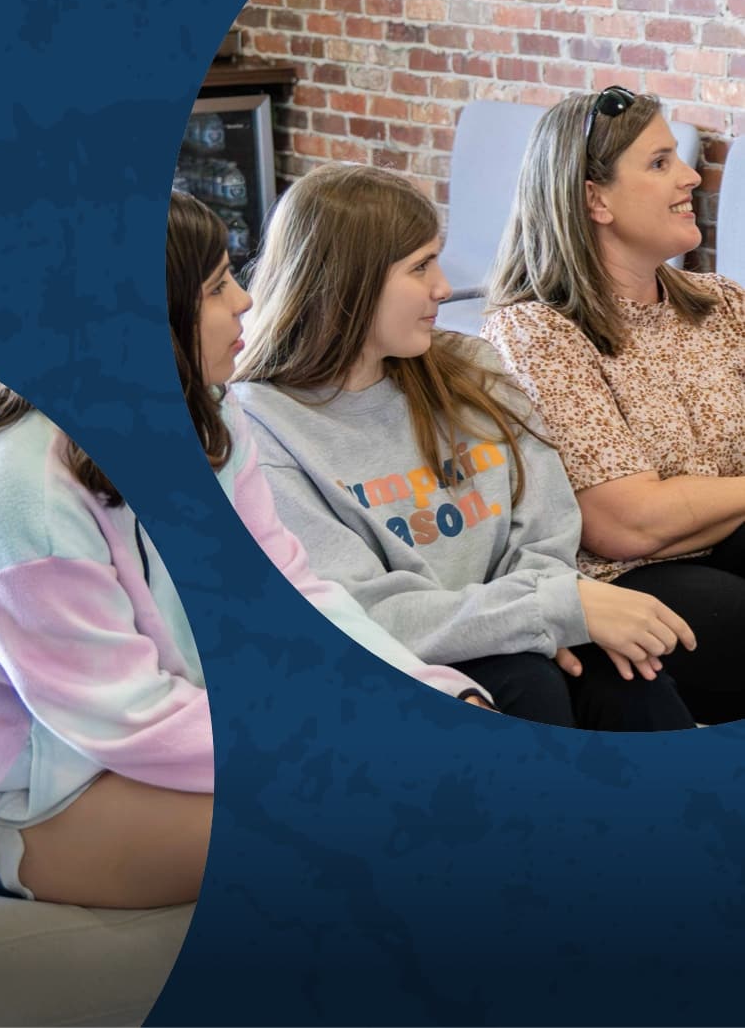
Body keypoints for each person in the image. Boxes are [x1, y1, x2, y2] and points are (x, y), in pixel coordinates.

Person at [228, 162, 699, 732]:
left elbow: (546, 527)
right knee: (529, 686)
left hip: (522, 615)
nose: (444, 288)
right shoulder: (261, 423)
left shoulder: (473, 366)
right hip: (406, 661)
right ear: (347, 282)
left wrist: (544, 615)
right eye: (420, 266)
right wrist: (541, 614)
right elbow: (360, 613)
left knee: (632, 677)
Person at [0, 369, 213, 907]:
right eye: (215, 289)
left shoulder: (200, 419)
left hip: (104, 748)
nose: (245, 301)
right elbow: (124, 715)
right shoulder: (19, 484)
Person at [166, 188, 496, 709]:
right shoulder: (253, 419)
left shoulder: (218, 415)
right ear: (349, 282)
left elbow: (306, 596)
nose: (244, 300)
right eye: (216, 287)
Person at [483, 87, 745, 725]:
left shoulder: (723, 304)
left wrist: (691, 505)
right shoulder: (537, 332)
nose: (690, 176)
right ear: (593, 199)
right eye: (659, 163)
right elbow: (624, 524)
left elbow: (659, 510)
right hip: (618, 589)